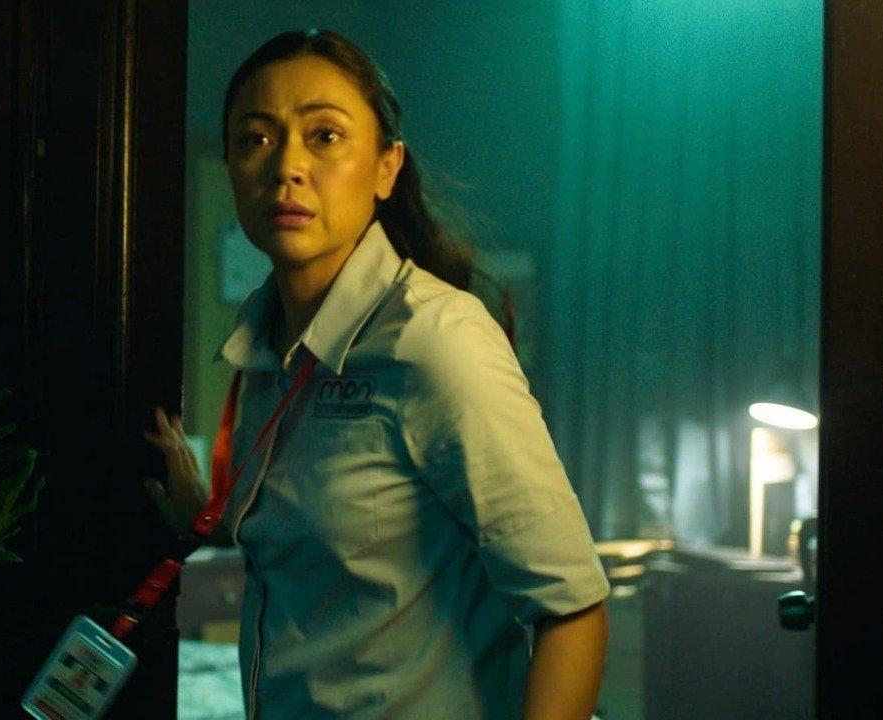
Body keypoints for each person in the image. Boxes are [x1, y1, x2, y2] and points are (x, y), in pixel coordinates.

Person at [143, 28, 609, 720]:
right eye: (256, 138)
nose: (287, 166)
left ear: (387, 168)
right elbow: (337, 536)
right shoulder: (263, 348)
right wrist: (208, 518)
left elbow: (571, 609)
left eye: (324, 136)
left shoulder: (435, 339)